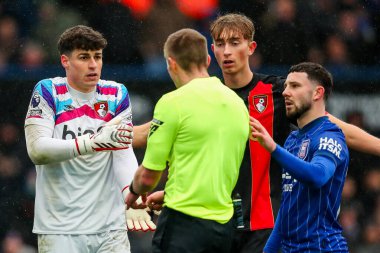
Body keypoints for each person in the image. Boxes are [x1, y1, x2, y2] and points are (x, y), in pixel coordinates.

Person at [133, 12, 380, 253]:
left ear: (251, 48)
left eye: (234, 43)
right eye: (220, 44)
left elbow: (334, 127)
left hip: (265, 226)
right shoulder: (208, 96)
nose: (227, 51)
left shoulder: (277, 92)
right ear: (212, 51)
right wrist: (100, 138)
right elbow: (153, 131)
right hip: (219, 223)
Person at [24, 25, 154, 253]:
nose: (93, 65)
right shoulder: (47, 91)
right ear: (65, 61)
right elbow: (37, 150)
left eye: (98, 57)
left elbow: (122, 151)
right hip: (60, 229)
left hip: (110, 227)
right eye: (84, 57)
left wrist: (131, 196)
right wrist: (92, 142)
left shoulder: (116, 94)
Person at [125, 28, 250, 253]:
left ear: (171, 63)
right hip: (224, 228)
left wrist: (133, 193)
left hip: (182, 225)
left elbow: (148, 176)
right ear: (208, 60)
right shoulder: (237, 104)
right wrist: (169, 193)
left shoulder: (172, 102)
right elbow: (215, 167)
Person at [251, 62, 349, 252]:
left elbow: (318, 176)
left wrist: (273, 148)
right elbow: (288, 208)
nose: (286, 92)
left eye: (295, 86)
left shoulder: (329, 136)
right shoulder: (293, 139)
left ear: (317, 93)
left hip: (322, 247)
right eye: (286, 85)